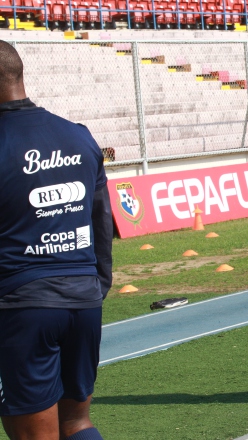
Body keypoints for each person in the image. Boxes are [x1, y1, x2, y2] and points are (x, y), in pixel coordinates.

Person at [0, 41, 113, 439]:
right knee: (76, 423)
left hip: (22, 305)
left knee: (35, 433)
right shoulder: (78, 136)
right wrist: (95, 286)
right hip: (83, 297)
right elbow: (102, 223)